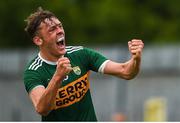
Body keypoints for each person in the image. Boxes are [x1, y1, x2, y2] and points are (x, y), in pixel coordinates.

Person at [23, 7, 144, 121]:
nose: (60, 31)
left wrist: (136, 59)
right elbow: (42, 109)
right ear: (38, 40)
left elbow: (126, 72)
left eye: (60, 26)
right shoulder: (33, 72)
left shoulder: (80, 54)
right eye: (52, 29)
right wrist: (57, 77)